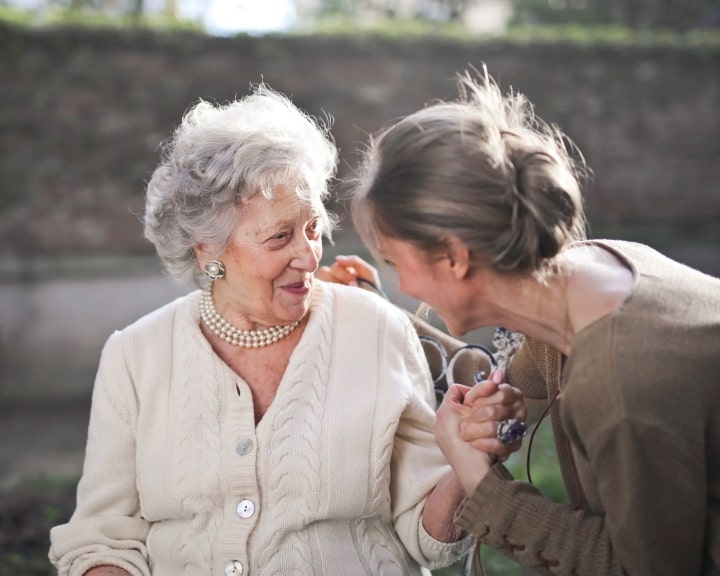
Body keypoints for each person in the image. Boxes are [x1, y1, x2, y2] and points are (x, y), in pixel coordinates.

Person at [47, 85, 530, 576]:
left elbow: (428, 539)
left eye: (313, 228)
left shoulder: (374, 329)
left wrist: (467, 457)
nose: (308, 255)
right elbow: (102, 538)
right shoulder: (135, 355)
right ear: (207, 249)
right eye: (280, 236)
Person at [345, 66, 720, 575]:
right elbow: (500, 377)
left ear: (454, 258)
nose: (404, 286)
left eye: (394, 263)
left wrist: (482, 484)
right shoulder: (595, 271)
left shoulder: (618, 383)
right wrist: (369, 308)